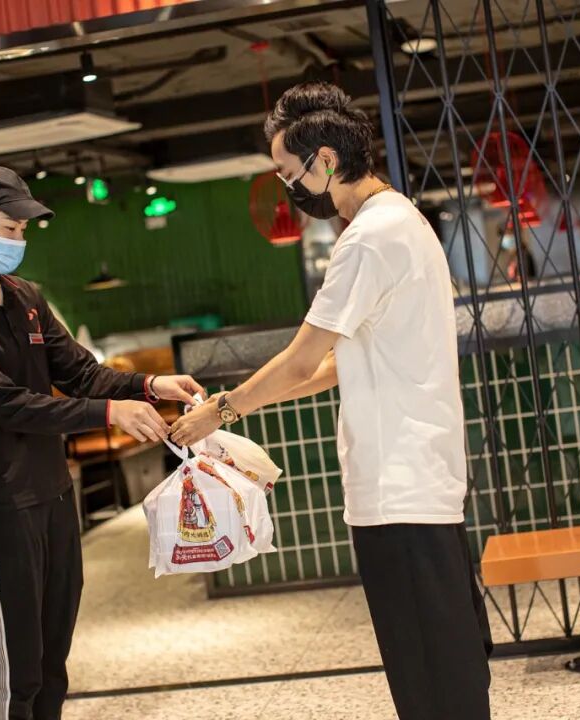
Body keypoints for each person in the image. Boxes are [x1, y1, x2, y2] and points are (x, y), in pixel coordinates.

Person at [169, 83, 493, 719]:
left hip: (397, 485)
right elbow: (339, 362)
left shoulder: (368, 237)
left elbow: (299, 359)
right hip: (420, 474)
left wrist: (220, 411)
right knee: (447, 654)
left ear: (324, 160)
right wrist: (246, 403)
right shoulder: (402, 219)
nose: (288, 188)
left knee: (429, 669)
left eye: (288, 172)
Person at [0, 164, 203, 720]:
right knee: (16, 670)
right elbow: (10, 406)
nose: (19, 241)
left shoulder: (25, 297)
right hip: (0, 507)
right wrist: (109, 414)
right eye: (10, 229)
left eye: (23, 231)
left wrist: (150, 385)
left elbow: (79, 372)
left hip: (52, 493)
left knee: (53, 665)